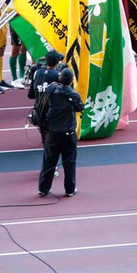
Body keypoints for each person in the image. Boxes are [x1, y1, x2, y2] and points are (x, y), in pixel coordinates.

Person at [38, 68, 83, 196]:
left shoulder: (51, 91)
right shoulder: (74, 95)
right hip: (68, 133)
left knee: (48, 161)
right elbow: (80, 107)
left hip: (52, 132)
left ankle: (43, 188)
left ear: (59, 79)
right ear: (72, 80)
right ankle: (69, 189)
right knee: (69, 162)